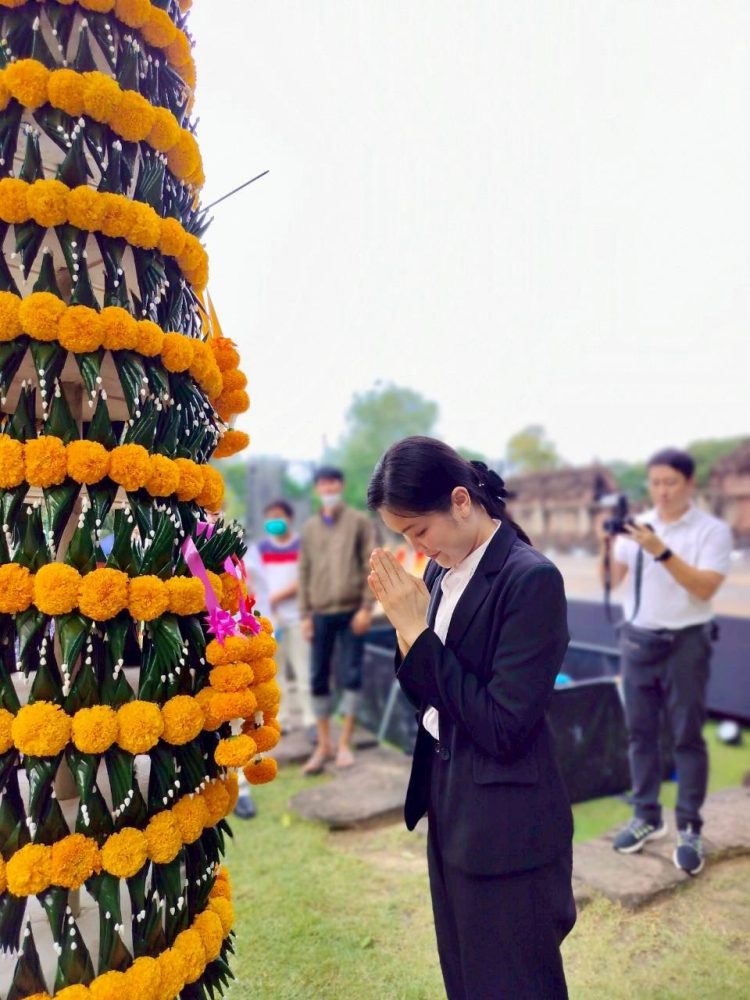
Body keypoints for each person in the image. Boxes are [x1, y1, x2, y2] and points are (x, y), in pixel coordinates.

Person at [367, 437, 575, 1000]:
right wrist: (408, 633)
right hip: (450, 794)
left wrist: (418, 634)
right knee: (464, 971)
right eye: (403, 537)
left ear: (461, 500)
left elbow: (504, 726)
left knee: (515, 981)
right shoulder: (443, 572)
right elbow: (429, 696)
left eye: (418, 531)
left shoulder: (530, 579)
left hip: (507, 819)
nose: (416, 547)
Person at [600, 447, 732, 875]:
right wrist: (607, 545)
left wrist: (661, 551)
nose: (662, 491)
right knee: (639, 734)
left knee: (686, 736)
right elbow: (611, 580)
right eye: (655, 482)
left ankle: (689, 826)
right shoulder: (639, 525)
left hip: (686, 643)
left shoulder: (710, 531)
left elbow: (705, 588)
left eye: (670, 482)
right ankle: (646, 816)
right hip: (638, 641)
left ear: (690, 483)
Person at [298, 466, 375, 774]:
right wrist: (304, 614)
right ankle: (324, 744)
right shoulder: (309, 528)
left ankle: (344, 743)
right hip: (319, 612)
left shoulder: (359, 521)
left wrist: (366, 608)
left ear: (341, 486)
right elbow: (303, 571)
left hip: (352, 610)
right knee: (318, 676)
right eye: (323, 484)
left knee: (351, 675)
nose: (328, 489)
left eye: (333, 483)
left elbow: (370, 563)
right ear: (317, 489)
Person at [245, 499, 313, 734]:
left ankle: (310, 719)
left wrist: (277, 596)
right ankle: (281, 719)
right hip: (270, 622)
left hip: (299, 618)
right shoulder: (260, 549)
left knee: (304, 671)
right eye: (270, 517)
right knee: (276, 674)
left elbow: (305, 579)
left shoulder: (301, 546)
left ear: (289, 518)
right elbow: (251, 580)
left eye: (278, 516)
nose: (274, 521)